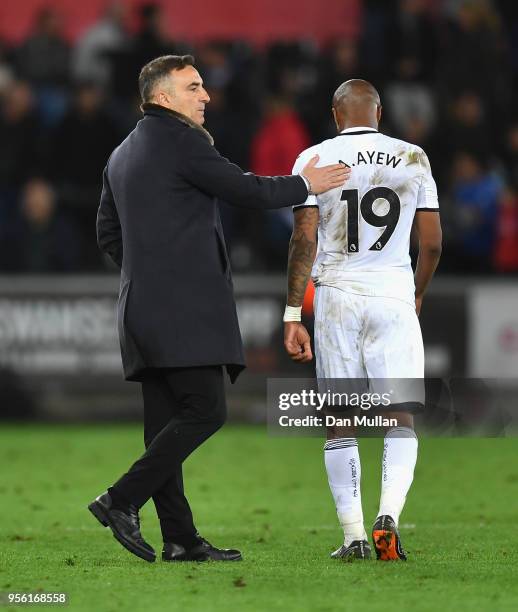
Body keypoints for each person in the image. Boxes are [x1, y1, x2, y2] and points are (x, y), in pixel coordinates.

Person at [89, 54, 349, 564]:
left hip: (139, 309)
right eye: (193, 87)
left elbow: (106, 233)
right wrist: (305, 185)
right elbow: (245, 189)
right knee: (205, 411)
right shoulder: (181, 140)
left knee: (164, 424)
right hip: (182, 311)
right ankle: (119, 500)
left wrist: (151, 273)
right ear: (162, 97)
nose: (205, 96)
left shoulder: (120, 154)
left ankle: (181, 539)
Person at [283, 79, 442, 561]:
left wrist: (294, 312)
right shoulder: (413, 157)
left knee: (340, 420)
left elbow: (304, 241)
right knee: (401, 416)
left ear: (336, 115)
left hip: (337, 298)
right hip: (393, 293)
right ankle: (388, 514)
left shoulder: (313, 160)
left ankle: (353, 536)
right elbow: (432, 244)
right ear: (380, 112)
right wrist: (415, 292)